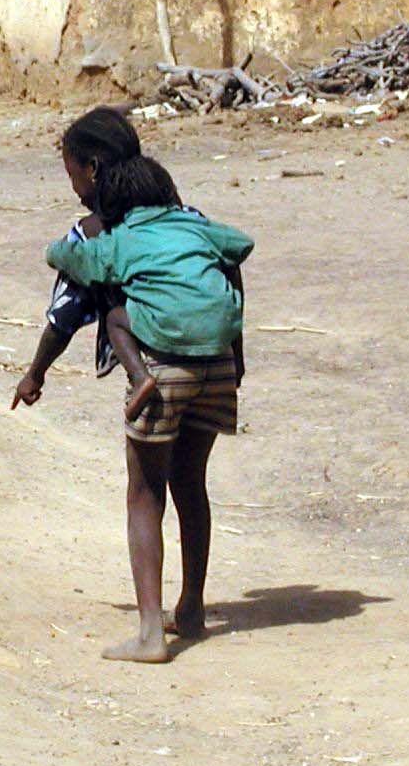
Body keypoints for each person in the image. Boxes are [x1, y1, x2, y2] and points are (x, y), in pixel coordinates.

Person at [44, 154, 253, 664]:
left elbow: (66, 257)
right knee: (191, 484)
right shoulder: (195, 227)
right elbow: (241, 245)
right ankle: (193, 610)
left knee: (144, 493)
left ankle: (149, 635)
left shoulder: (121, 240)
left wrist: (77, 238)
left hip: (162, 369)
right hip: (219, 367)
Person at [11, 107, 143, 413]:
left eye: (72, 174)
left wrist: (34, 376)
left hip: (157, 371)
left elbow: (63, 319)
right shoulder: (187, 220)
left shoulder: (90, 236)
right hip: (218, 366)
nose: (73, 188)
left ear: (92, 168)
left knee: (147, 461)